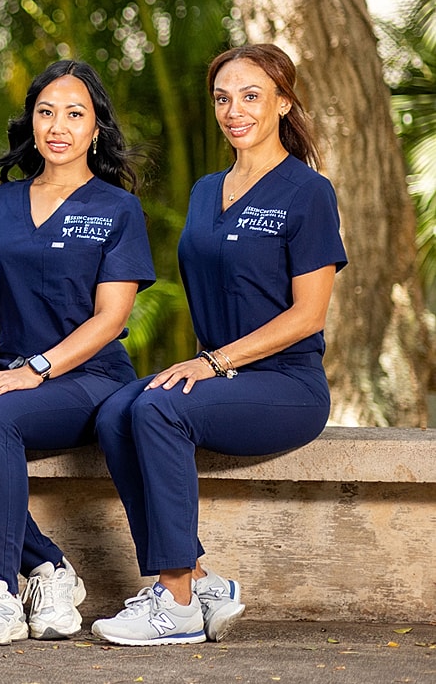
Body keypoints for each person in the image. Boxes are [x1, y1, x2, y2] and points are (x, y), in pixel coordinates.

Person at [91, 43, 344, 646]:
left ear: (283, 103)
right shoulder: (208, 190)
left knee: (157, 407)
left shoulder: (308, 192)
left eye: (252, 96)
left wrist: (213, 362)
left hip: (286, 383)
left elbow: (308, 315)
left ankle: (175, 599)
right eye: (223, 98)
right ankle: (200, 578)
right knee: (115, 413)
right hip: (219, 376)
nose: (235, 110)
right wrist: (211, 366)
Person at [0, 60, 154, 647]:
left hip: (90, 377)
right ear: (31, 122)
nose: (58, 126)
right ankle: (49, 567)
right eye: (46, 112)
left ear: (96, 127)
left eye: (75, 114)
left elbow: (112, 319)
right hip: (8, 371)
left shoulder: (117, 208)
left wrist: (37, 369)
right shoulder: (1, 205)